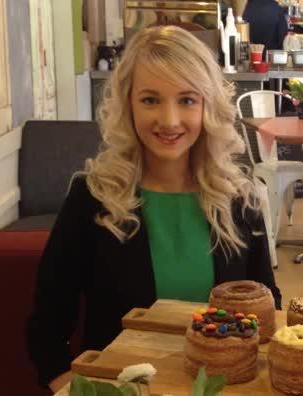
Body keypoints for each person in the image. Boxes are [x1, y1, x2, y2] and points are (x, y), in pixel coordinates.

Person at [26, 26, 281, 392]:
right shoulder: (92, 198)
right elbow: (46, 327)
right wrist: (67, 385)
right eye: (150, 100)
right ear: (127, 104)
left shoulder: (240, 200)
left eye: (187, 100)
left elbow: (267, 310)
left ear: (208, 106)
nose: (169, 120)